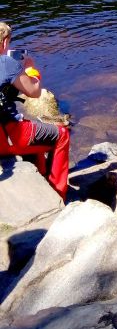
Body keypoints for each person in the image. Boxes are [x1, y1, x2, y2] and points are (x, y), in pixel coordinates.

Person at [0, 22, 70, 199]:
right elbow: (35, 92)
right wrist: (31, 70)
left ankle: (42, 180)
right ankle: (58, 193)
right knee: (62, 134)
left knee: (36, 134)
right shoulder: (7, 63)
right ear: (5, 41)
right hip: (10, 137)